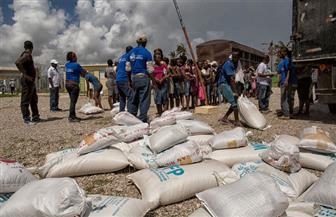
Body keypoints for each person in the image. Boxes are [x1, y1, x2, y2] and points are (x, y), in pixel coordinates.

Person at [126, 35, 154, 123]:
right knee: (144, 99)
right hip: (144, 77)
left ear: (137, 42)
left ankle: (132, 118)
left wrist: (129, 80)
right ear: (145, 43)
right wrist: (153, 80)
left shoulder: (131, 53)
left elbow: (127, 69)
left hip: (134, 78)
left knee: (135, 98)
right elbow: (150, 70)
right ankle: (142, 119)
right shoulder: (147, 53)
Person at [15, 40, 40, 125]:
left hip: (30, 81)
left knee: (33, 99)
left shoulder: (27, 55)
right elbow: (18, 62)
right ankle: (26, 119)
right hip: (27, 81)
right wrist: (26, 75)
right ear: (32, 47)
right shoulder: (27, 55)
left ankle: (35, 116)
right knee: (25, 100)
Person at [218, 52, 242, 126]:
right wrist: (235, 91)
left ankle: (225, 118)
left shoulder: (234, 64)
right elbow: (231, 79)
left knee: (234, 103)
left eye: (237, 58)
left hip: (227, 85)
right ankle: (237, 121)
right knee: (234, 104)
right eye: (234, 57)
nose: (236, 59)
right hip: (223, 84)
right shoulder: (228, 64)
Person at [65, 51, 86, 122]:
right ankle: (71, 117)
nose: (77, 57)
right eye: (75, 56)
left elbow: (74, 72)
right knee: (73, 101)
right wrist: (84, 71)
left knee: (72, 101)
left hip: (67, 85)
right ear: (73, 57)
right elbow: (83, 73)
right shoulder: (77, 65)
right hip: (74, 86)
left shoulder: (67, 65)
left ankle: (73, 115)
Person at [277, 47, 295, 119]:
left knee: (284, 98)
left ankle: (286, 114)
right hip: (283, 81)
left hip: (285, 81)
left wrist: (286, 80)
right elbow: (281, 72)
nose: (279, 54)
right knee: (286, 97)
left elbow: (288, 71)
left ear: (284, 52)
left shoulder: (287, 60)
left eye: (280, 52)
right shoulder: (283, 60)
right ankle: (288, 112)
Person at [116, 46, 134, 112]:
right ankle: (129, 113)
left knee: (122, 97)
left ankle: (122, 112)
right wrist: (129, 80)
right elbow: (128, 69)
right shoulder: (129, 56)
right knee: (131, 96)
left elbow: (117, 69)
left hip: (118, 79)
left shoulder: (121, 57)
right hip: (124, 78)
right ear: (131, 51)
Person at [153, 49, 168, 116]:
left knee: (164, 99)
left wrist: (162, 79)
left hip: (163, 84)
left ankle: (165, 114)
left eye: (159, 55)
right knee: (158, 100)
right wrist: (155, 79)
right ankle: (160, 113)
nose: (158, 56)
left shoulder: (164, 65)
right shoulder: (153, 66)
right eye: (156, 55)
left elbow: (168, 74)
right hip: (156, 85)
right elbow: (150, 74)